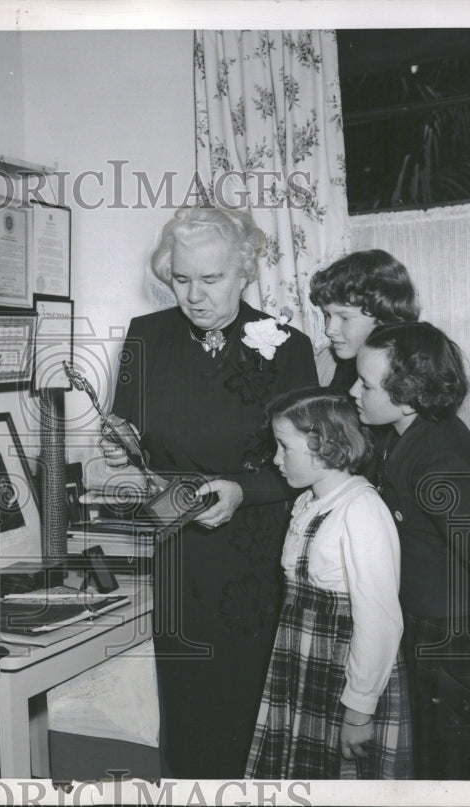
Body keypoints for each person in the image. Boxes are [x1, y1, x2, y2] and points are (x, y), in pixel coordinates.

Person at [102, 205, 318, 778]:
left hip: (255, 551)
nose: (194, 295)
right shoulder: (146, 336)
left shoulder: (286, 346)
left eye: (211, 279)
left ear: (244, 273)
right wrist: (119, 448)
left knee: (244, 706)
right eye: (181, 278)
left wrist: (242, 490)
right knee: (187, 707)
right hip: (181, 548)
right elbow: (131, 439)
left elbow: (310, 463)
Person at [351, 322, 470, 779]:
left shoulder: (441, 465)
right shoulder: (405, 434)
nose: (354, 390)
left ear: (407, 395)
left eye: (365, 384)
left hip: (467, 643)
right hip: (433, 629)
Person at [246, 388, 412, 779]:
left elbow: (380, 619)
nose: (275, 458)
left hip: (343, 674)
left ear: (324, 446)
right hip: (302, 663)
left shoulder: (362, 510)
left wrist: (359, 708)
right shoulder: (309, 502)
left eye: (284, 447)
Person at [309, 249, 419, 393]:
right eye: (327, 315)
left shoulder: (408, 374)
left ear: (383, 317)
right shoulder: (328, 361)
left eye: (344, 317)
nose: (329, 330)